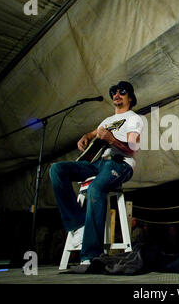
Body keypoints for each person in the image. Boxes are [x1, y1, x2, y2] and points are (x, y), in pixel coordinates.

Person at [49, 81, 144, 266]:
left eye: (122, 91)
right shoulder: (107, 121)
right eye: (113, 92)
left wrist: (112, 139)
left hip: (121, 164)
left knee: (95, 188)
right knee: (57, 170)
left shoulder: (134, 119)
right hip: (98, 163)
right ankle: (78, 226)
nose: (116, 94)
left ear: (130, 97)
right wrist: (86, 137)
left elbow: (132, 148)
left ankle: (91, 255)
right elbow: (94, 133)